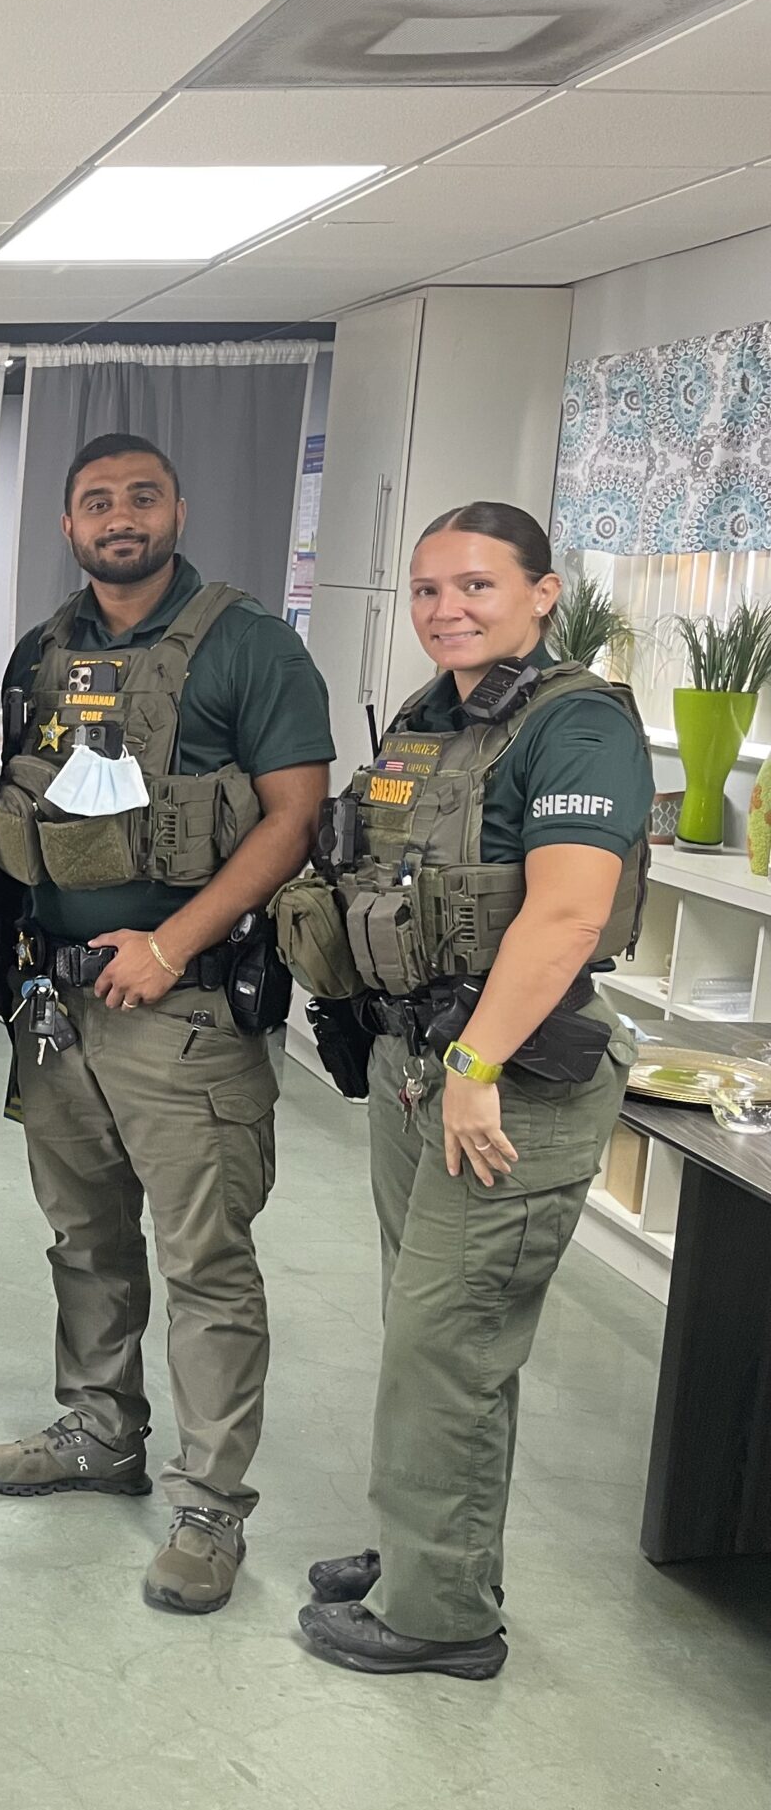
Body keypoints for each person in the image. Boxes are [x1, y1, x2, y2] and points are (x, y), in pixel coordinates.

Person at [284, 503, 648, 1681]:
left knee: (450, 1340)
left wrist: (476, 1068)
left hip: (505, 1080)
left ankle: (441, 1619)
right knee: (429, 1331)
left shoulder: (577, 723)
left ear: (543, 594)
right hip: (419, 1065)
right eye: (428, 589)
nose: (448, 609)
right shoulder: (433, 717)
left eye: (478, 587)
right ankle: (423, 1549)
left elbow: (568, 912)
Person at [0, 432, 331, 1615]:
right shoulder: (42, 648)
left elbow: (293, 819)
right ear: (67, 527)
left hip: (183, 1007)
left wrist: (171, 941)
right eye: (93, 503)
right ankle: (98, 1434)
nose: (117, 517)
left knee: (204, 1264)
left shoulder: (251, 646)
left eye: (139, 496)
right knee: (82, 1239)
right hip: (58, 1001)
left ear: (176, 506)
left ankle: (207, 1511)